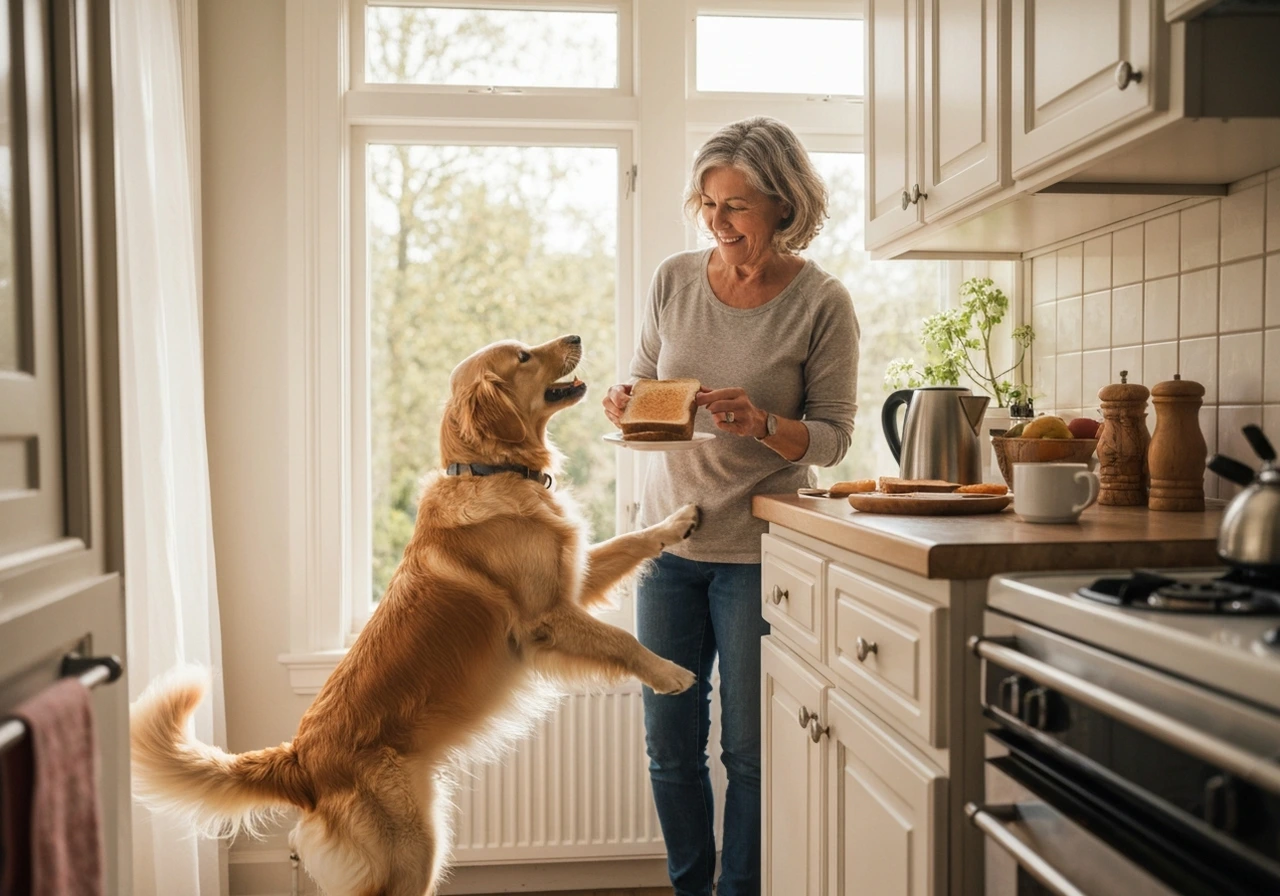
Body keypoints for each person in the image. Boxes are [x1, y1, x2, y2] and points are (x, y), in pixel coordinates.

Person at [602, 116, 859, 896]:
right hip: (667, 548)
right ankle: (691, 889)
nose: (717, 222)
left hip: (758, 554)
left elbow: (834, 437)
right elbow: (646, 380)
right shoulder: (674, 280)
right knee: (670, 744)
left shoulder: (822, 302)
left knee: (747, 751)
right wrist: (624, 401)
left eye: (736, 206)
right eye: (708, 203)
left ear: (783, 206)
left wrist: (764, 424)